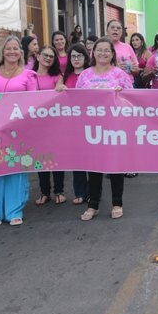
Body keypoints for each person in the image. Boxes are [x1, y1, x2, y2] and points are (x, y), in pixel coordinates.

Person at [0, 36, 39, 226]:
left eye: (16, 49)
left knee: (14, 168)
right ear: (2, 51)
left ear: (21, 52)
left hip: (17, 129)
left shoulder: (28, 75)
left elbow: (34, 103)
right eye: (8, 48)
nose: (12, 52)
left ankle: (14, 211)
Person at [75, 37, 134, 221]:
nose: (102, 53)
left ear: (112, 54)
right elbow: (75, 99)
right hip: (92, 129)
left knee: (115, 165)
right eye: (99, 50)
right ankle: (93, 205)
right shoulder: (84, 75)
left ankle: (117, 202)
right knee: (93, 167)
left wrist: (120, 95)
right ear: (93, 53)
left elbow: (132, 98)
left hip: (115, 128)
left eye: (106, 50)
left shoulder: (120, 74)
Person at [56, 44, 91, 205]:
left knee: (92, 158)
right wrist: (60, 88)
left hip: (91, 122)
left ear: (85, 57)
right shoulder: (66, 75)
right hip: (72, 124)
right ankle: (80, 192)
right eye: (73, 56)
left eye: (79, 56)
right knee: (78, 159)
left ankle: (92, 192)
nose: (76, 59)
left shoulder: (91, 74)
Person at [32, 45, 66, 205]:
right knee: (39, 159)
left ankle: (59, 191)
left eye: (51, 57)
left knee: (56, 157)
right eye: (45, 55)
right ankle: (44, 192)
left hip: (52, 122)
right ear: (38, 56)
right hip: (34, 123)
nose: (48, 58)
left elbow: (58, 95)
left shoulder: (56, 76)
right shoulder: (29, 75)